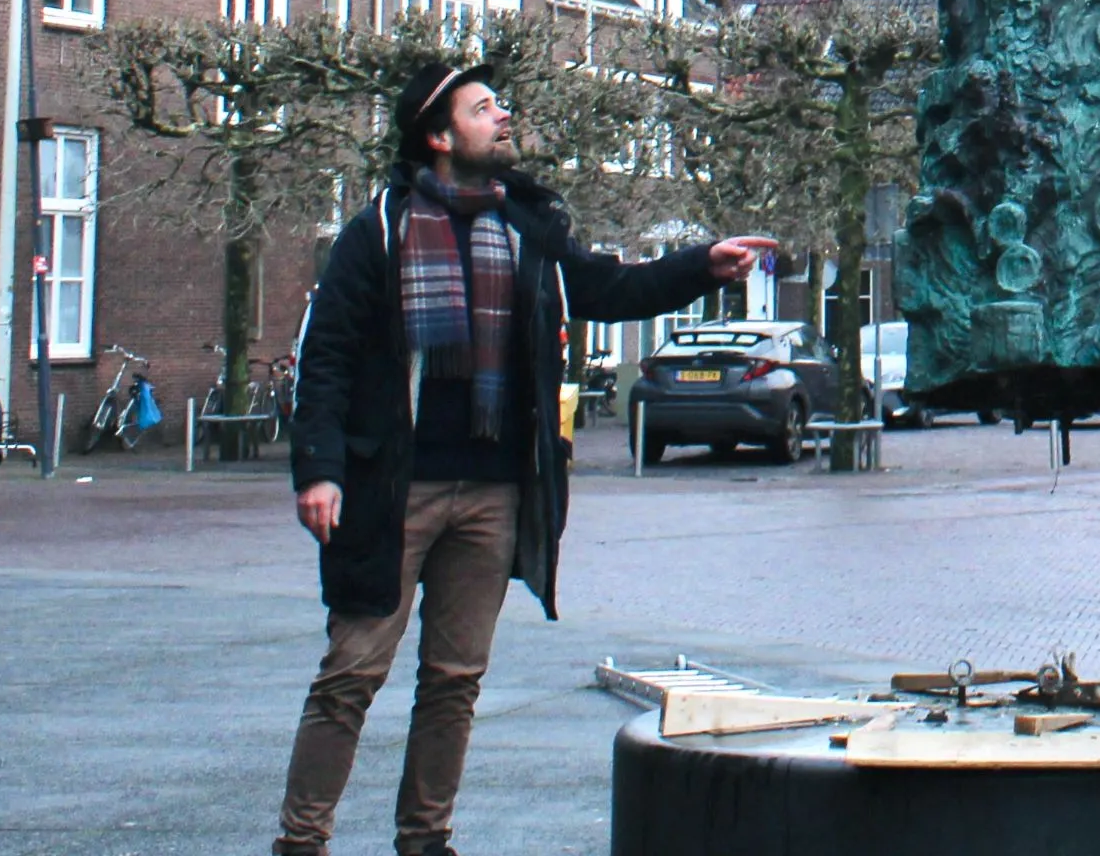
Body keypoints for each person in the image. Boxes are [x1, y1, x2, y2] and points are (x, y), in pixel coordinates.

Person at [276, 60, 774, 856]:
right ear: (440, 136)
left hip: (494, 491)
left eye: (500, 105)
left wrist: (698, 267)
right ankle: (302, 842)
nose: (503, 117)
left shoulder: (528, 226)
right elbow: (327, 355)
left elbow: (606, 288)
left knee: (453, 682)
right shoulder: (379, 230)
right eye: (483, 109)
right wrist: (321, 470)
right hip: (391, 491)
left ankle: (426, 840)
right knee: (351, 675)